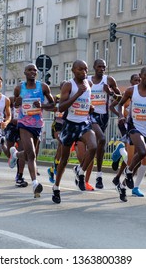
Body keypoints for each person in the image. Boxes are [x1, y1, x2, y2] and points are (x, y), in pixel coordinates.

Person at [113, 67, 146, 202]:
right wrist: (120, 116)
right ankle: (128, 173)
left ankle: (123, 185)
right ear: (140, 76)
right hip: (133, 127)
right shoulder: (131, 91)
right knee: (141, 152)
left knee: (142, 158)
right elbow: (120, 104)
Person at [51, 59, 97, 204]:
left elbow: (87, 102)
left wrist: (90, 108)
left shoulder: (88, 84)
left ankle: (80, 171)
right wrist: (77, 95)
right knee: (64, 160)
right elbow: (62, 107)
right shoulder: (68, 85)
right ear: (73, 71)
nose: (84, 72)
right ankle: (56, 187)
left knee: (94, 146)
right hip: (70, 125)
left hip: (84, 123)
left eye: (86, 69)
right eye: (80, 69)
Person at [8, 63, 55, 198]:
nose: (32, 72)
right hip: (24, 124)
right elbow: (16, 105)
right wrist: (18, 102)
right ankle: (35, 183)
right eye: (29, 70)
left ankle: (16, 155)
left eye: (35, 70)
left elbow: (53, 105)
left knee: (29, 154)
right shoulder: (19, 88)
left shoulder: (43, 87)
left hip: (37, 125)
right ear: (25, 72)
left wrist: (43, 105)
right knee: (32, 154)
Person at [78, 59, 121, 190]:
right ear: (94, 67)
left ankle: (95, 174)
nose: (101, 69)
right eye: (99, 67)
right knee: (101, 139)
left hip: (104, 116)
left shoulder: (109, 80)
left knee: (98, 146)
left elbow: (120, 98)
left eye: (103, 67)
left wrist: (110, 93)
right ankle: (96, 175)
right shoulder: (88, 80)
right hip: (91, 115)